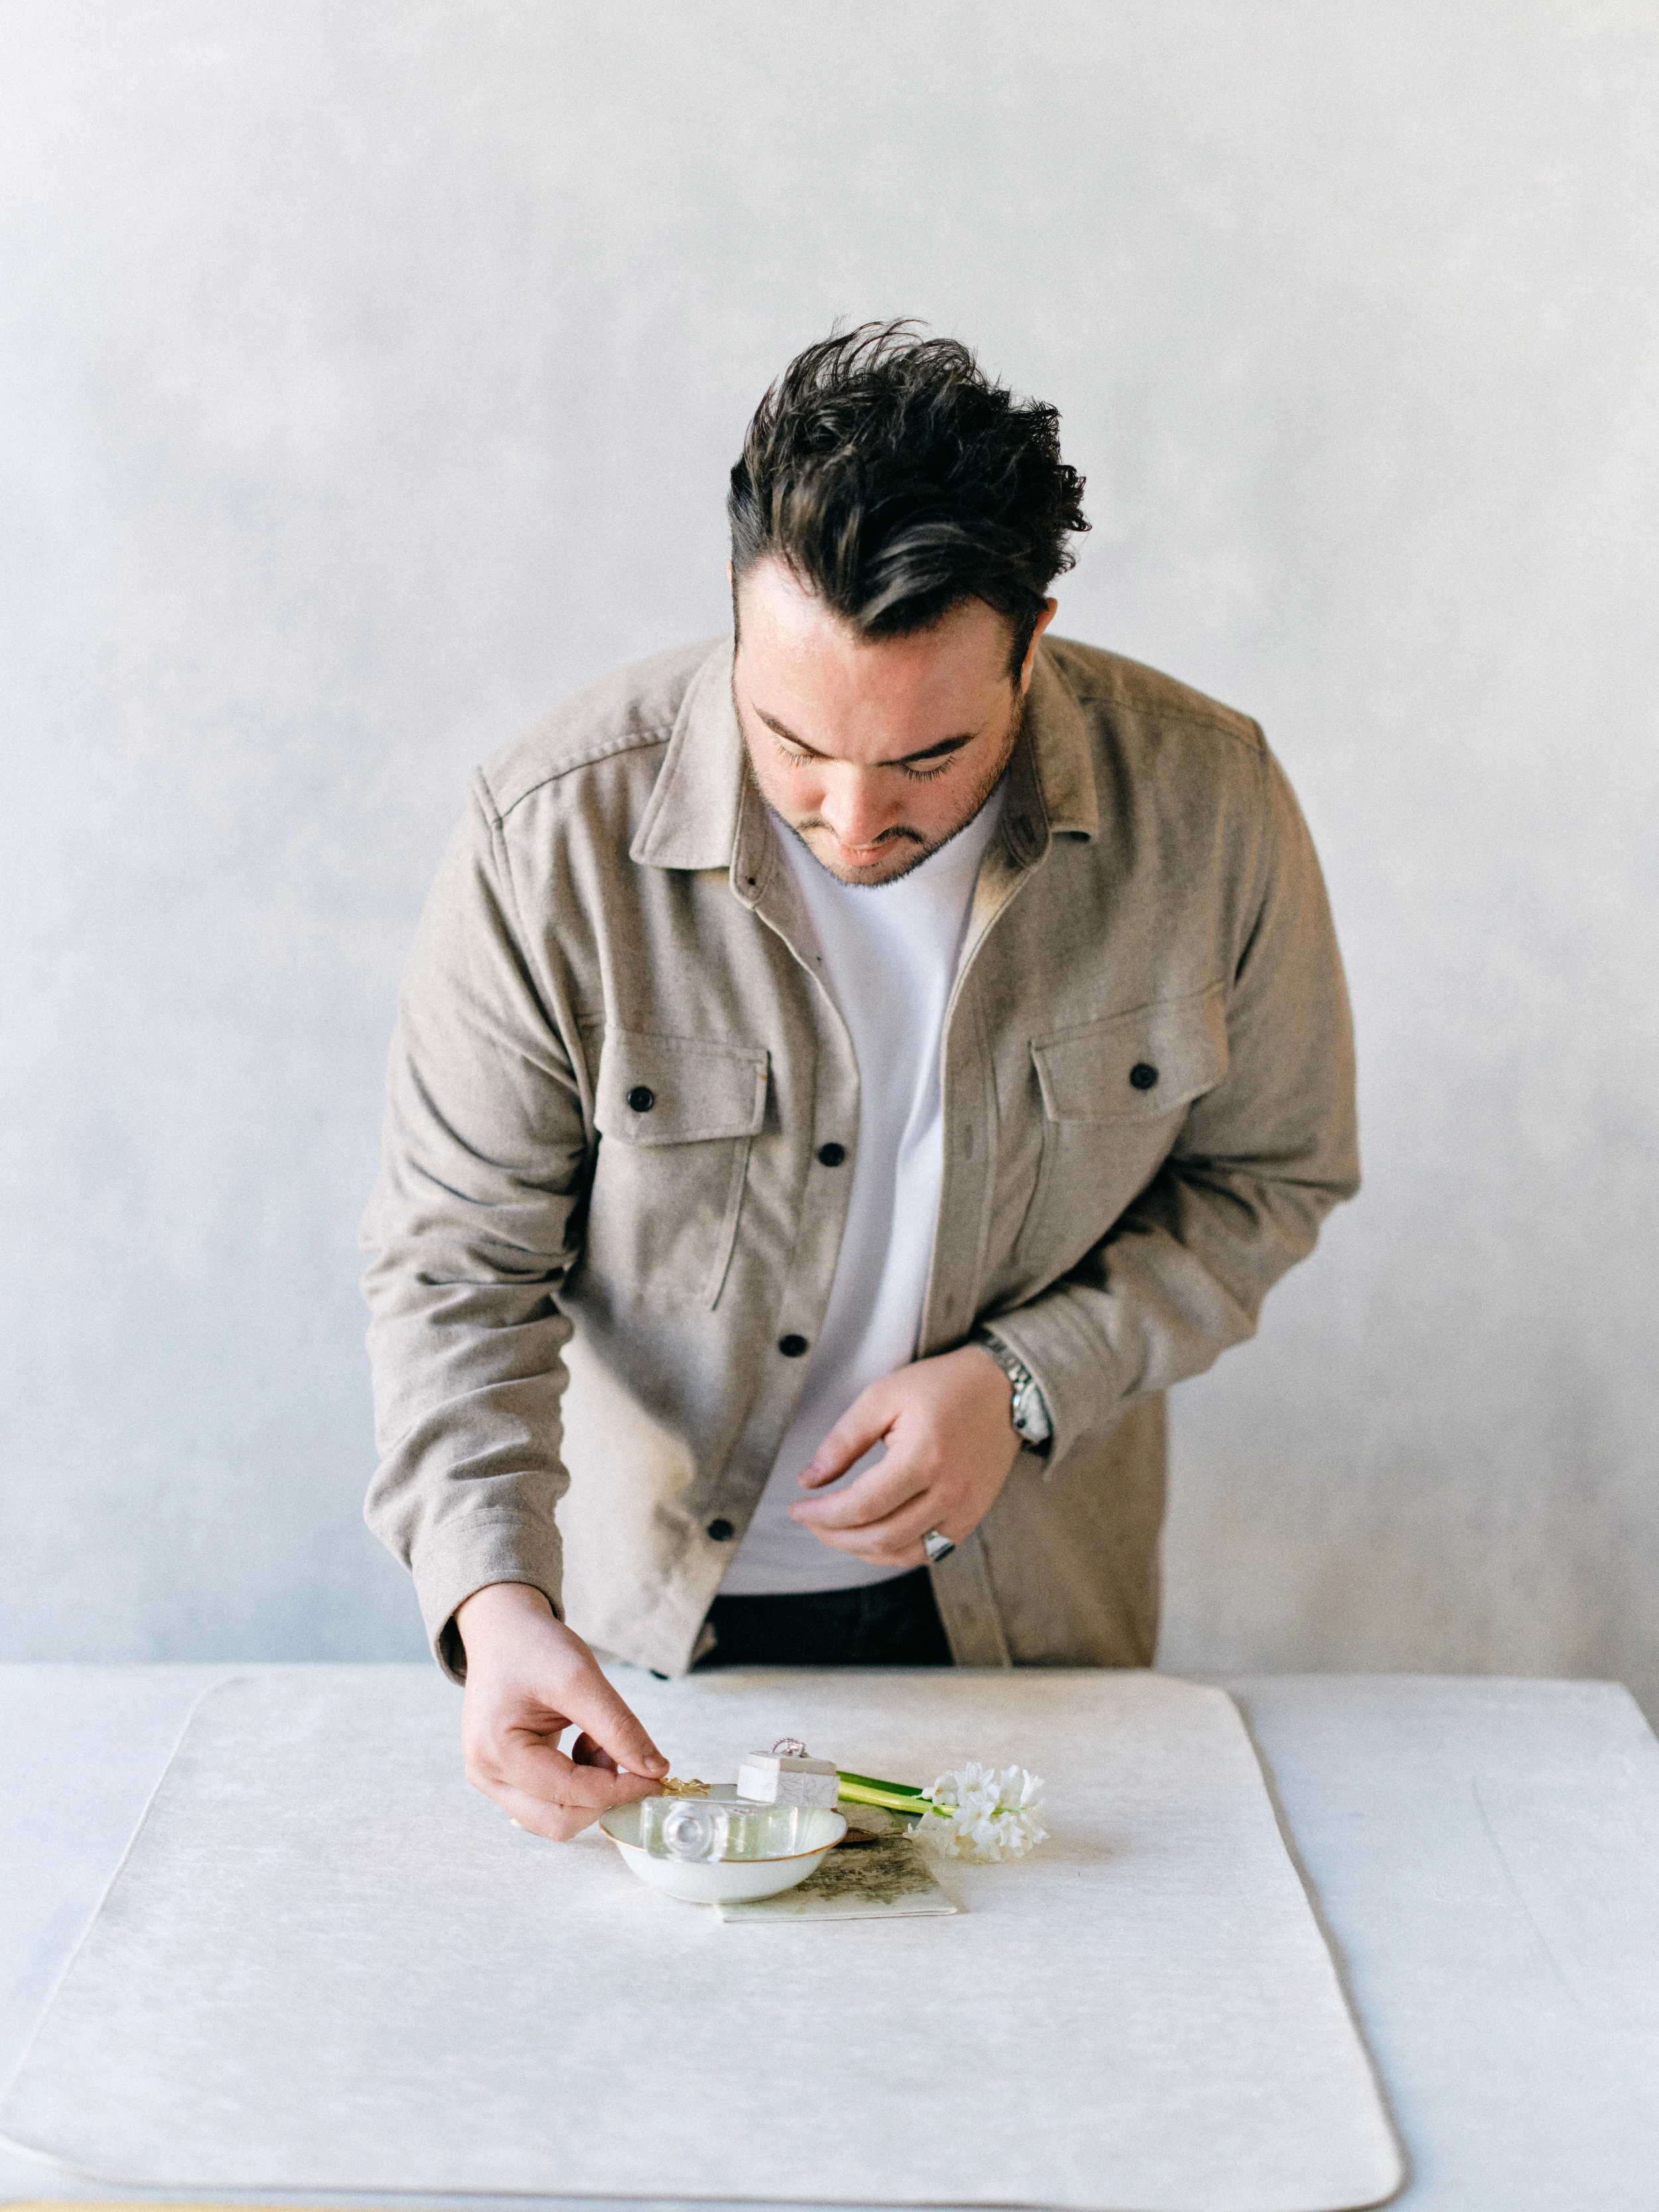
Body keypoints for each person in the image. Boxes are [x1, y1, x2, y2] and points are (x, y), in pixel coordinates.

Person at [361, 324, 1358, 1841]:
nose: (850, 815)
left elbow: (1271, 1175)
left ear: (1034, 643)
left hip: (1029, 1640)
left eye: (928, 758)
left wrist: (1027, 1382)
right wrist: (493, 1601)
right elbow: (455, 1261)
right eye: (792, 739)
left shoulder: (1211, 809)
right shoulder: (547, 834)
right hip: (639, 1648)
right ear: (735, 618)